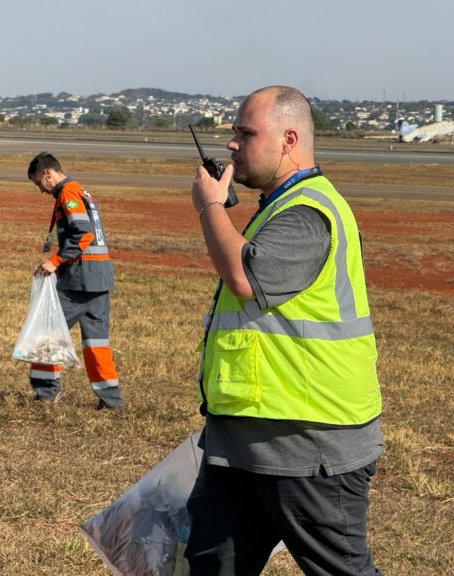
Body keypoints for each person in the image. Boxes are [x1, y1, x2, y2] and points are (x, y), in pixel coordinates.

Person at [185, 86, 384, 575]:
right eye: (233, 132)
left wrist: (211, 207)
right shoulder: (278, 205)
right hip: (244, 438)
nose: (232, 143)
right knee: (210, 564)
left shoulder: (309, 212)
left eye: (246, 133)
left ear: (288, 140)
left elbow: (244, 277)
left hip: (309, 443)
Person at [26, 152, 124, 410]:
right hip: (99, 278)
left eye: (39, 183)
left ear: (47, 173)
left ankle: (45, 394)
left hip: (80, 280)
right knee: (97, 342)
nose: (41, 190)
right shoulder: (81, 191)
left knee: (47, 332)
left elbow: (83, 234)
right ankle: (111, 400)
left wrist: (55, 261)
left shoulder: (68, 194)